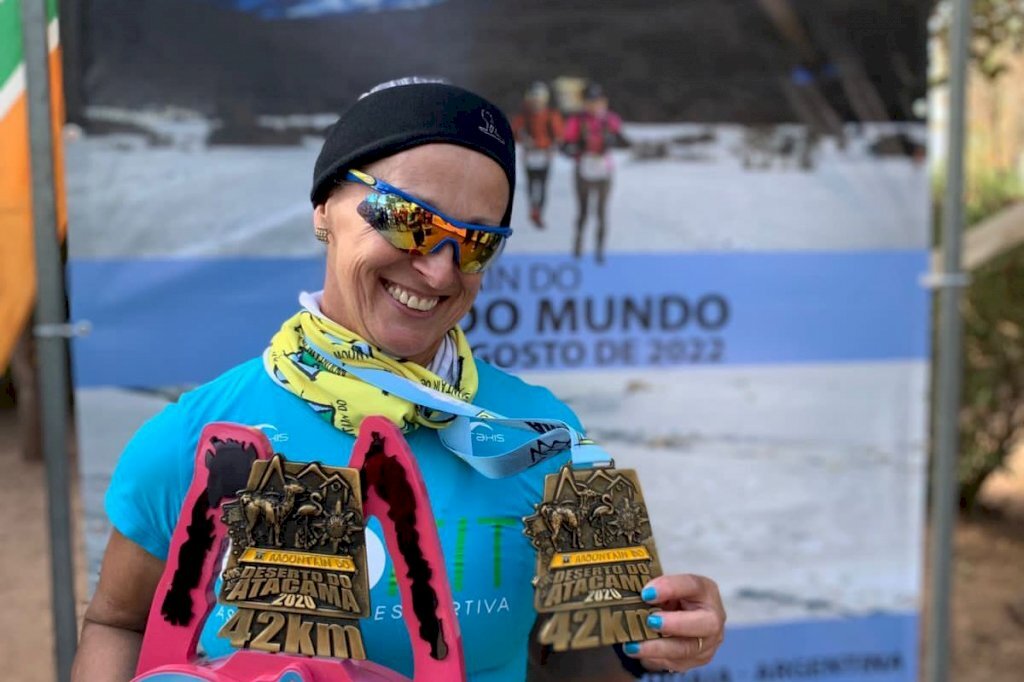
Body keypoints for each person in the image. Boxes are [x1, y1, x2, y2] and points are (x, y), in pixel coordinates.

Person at [72, 80, 725, 682]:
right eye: (408, 219)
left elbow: (583, 660)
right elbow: (119, 622)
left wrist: (656, 636)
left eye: (475, 243)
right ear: (326, 206)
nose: (439, 273)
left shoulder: (546, 438)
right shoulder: (198, 437)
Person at [562, 82, 629, 264]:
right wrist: (577, 147)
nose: (595, 106)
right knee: (583, 212)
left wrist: (613, 140)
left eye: (598, 101)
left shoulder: (611, 120)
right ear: (584, 103)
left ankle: (600, 251)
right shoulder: (576, 121)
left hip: (603, 171)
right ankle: (577, 249)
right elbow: (565, 147)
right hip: (583, 169)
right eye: (591, 101)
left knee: (601, 212)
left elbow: (624, 141)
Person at [511, 81, 564, 228]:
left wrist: (554, 145)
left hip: (544, 154)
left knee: (542, 184)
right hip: (530, 155)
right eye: (534, 100)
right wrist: (523, 138)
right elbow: (515, 131)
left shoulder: (551, 115)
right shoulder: (524, 116)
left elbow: (559, 134)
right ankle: (533, 208)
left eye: (539, 100)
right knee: (531, 184)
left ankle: (538, 211)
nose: (536, 103)